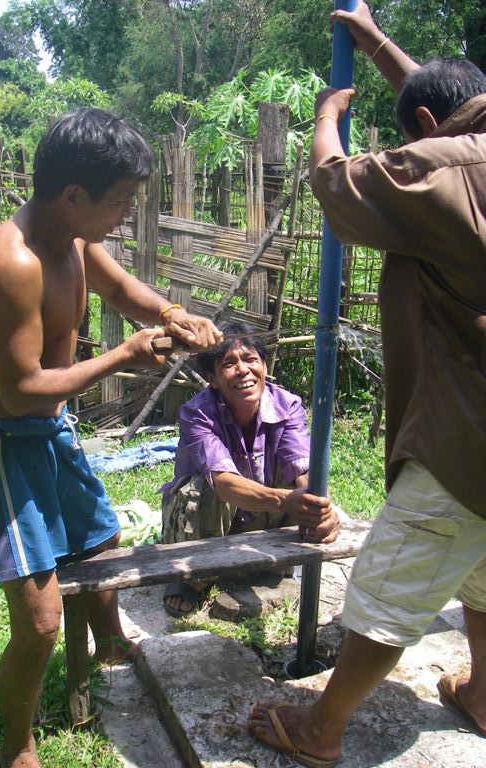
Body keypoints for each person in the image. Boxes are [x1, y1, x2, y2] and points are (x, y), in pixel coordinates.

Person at [0, 107, 222, 768]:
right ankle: (19, 745)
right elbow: (20, 391)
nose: (125, 213)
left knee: (103, 545)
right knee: (39, 623)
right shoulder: (15, 262)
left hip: (51, 434)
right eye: (121, 201)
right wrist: (124, 355)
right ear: (75, 196)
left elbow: (125, 288)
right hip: (3, 447)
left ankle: (109, 649)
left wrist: (173, 313)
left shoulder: (73, 241)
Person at [248, 2, 486, 765]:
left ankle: (322, 728)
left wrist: (326, 117)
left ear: (421, 126)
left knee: (390, 580)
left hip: (466, 432)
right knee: (483, 567)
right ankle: (484, 693)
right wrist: (377, 41)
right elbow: (444, 110)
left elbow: (335, 183)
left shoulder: (439, 171)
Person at [161, 321, 341, 617]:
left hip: (261, 515)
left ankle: (275, 561)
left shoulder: (288, 405)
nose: (243, 370)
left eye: (250, 360)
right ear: (213, 379)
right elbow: (222, 481)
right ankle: (194, 579)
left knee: (301, 480)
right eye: (229, 364)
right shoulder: (197, 413)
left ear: (264, 366)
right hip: (209, 520)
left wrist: (319, 507)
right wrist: (284, 500)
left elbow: (304, 467)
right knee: (206, 485)